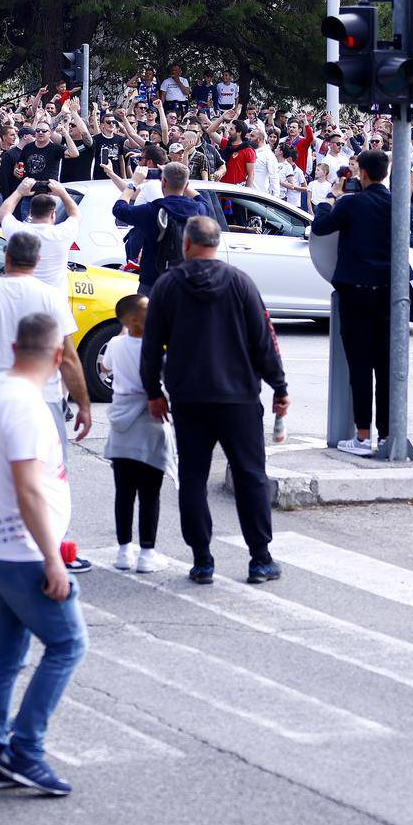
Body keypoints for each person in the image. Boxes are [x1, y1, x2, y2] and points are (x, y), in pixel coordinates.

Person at [0, 311, 87, 797]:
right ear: (58, 357)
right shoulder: (28, 408)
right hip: (21, 550)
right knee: (67, 644)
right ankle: (26, 751)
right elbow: (29, 491)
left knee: (6, 654)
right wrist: (53, 558)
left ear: (15, 349)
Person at [144, 216, 288, 585]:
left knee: (193, 477)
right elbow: (263, 339)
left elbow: (151, 344)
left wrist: (153, 392)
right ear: (217, 242)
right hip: (238, 396)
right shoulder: (240, 283)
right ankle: (260, 559)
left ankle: (202, 560)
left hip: (189, 398)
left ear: (187, 244)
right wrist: (280, 387)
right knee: (251, 475)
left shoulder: (167, 286)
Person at [0, 231, 93, 455]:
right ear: (38, 260)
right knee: (50, 476)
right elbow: (68, 357)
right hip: (44, 400)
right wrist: (84, 405)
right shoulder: (52, 297)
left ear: (6, 258)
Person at [311, 149, 395, 456]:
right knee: (385, 366)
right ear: (385, 172)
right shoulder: (396, 204)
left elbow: (321, 227)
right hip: (387, 292)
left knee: (360, 364)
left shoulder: (351, 203)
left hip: (355, 292)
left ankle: (362, 436)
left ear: (362, 173)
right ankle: (387, 435)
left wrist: (328, 200)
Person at [103, 294, 172, 573]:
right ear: (133, 319)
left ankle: (123, 551)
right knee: (150, 492)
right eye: (147, 311)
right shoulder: (157, 348)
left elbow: (105, 366)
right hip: (148, 422)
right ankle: (146, 553)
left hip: (120, 423)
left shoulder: (115, 344)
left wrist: (124, 335)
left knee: (124, 492)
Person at [106, 161, 209, 295]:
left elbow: (119, 209)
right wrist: (181, 179)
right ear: (187, 184)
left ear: (163, 182)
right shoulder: (198, 209)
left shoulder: (152, 210)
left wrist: (134, 183)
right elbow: (200, 198)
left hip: (152, 282)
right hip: (185, 282)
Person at [0, 179, 80, 290]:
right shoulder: (62, 234)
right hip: (54, 302)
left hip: (24, 299)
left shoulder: (19, 233)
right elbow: (76, 214)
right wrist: (62, 193)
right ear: (53, 214)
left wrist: (19, 192)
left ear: (30, 213)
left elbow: (3, 213)